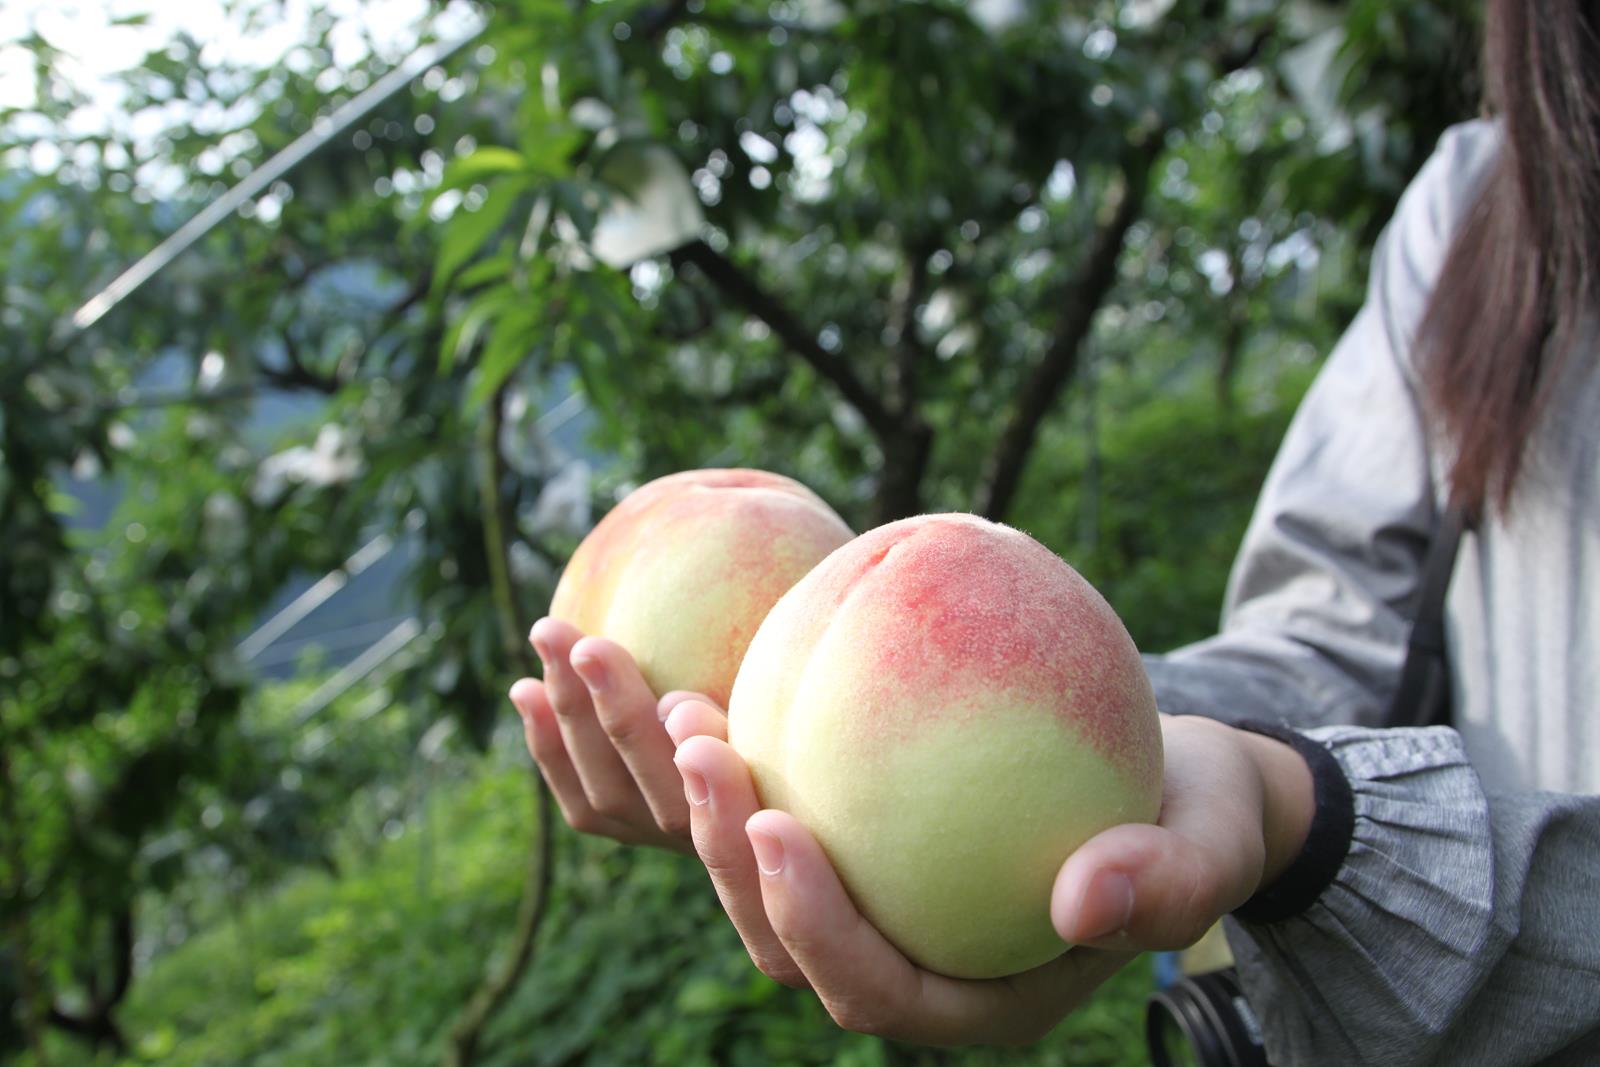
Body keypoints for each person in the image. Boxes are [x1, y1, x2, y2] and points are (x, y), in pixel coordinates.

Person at [507, 0, 1600, 1060]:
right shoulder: (1487, 207)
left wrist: (1310, 822)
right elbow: (1333, 639)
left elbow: (1293, 779)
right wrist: (1069, 724)